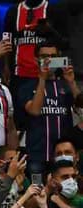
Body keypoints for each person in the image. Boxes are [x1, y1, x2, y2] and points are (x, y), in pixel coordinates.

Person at [25, 41, 78, 175]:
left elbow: (81, 109)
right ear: (36, 59)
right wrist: (42, 79)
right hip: (37, 155)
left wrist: (71, 82)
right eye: (44, 57)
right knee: (36, 192)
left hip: (63, 156)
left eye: (53, 56)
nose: (49, 60)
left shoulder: (65, 85)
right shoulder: (27, 86)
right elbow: (35, 111)